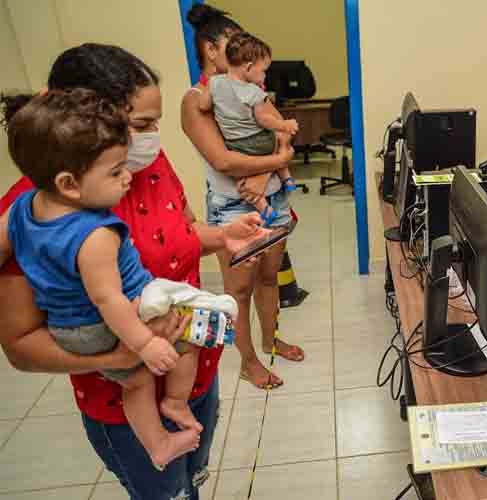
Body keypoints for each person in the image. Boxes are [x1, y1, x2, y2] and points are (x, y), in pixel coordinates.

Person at [0, 43, 264, 499]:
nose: (152, 137)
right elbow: (21, 348)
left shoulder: (144, 164)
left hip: (192, 370)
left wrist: (223, 237)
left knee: (192, 484)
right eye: (141, 125)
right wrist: (119, 358)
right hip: (125, 400)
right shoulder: (37, 210)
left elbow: (181, 235)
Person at [182, 4, 305, 391]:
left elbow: (280, 133)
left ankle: (270, 340)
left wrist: (272, 166)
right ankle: (248, 362)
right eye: (231, 43)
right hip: (233, 205)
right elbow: (223, 160)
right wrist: (280, 159)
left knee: (270, 278)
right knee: (239, 289)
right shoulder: (197, 99)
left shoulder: (251, 88)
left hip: (272, 197)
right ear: (211, 50)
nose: (241, 51)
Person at [197, 30, 300, 210]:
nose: (265, 76)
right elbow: (264, 121)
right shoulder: (254, 92)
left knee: (241, 178)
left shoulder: (214, 83)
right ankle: (286, 176)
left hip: (235, 145)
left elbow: (203, 105)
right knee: (276, 139)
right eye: (263, 71)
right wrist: (284, 125)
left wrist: (213, 98)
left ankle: (263, 208)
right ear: (249, 67)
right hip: (259, 142)